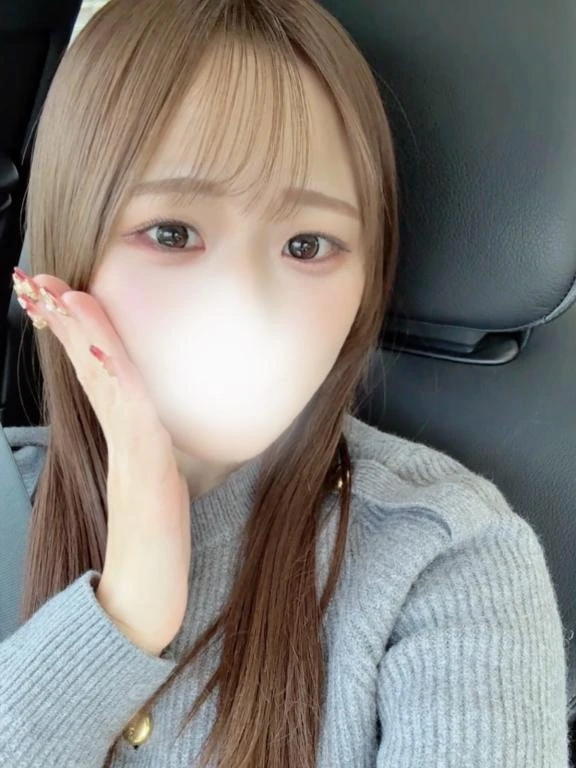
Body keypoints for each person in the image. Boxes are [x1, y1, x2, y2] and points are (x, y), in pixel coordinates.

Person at [0, 0, 569, 766]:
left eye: (308, 245)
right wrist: (122, 615)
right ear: (70, 248)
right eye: (172, 232)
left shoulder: (448, 560)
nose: (246, 304)